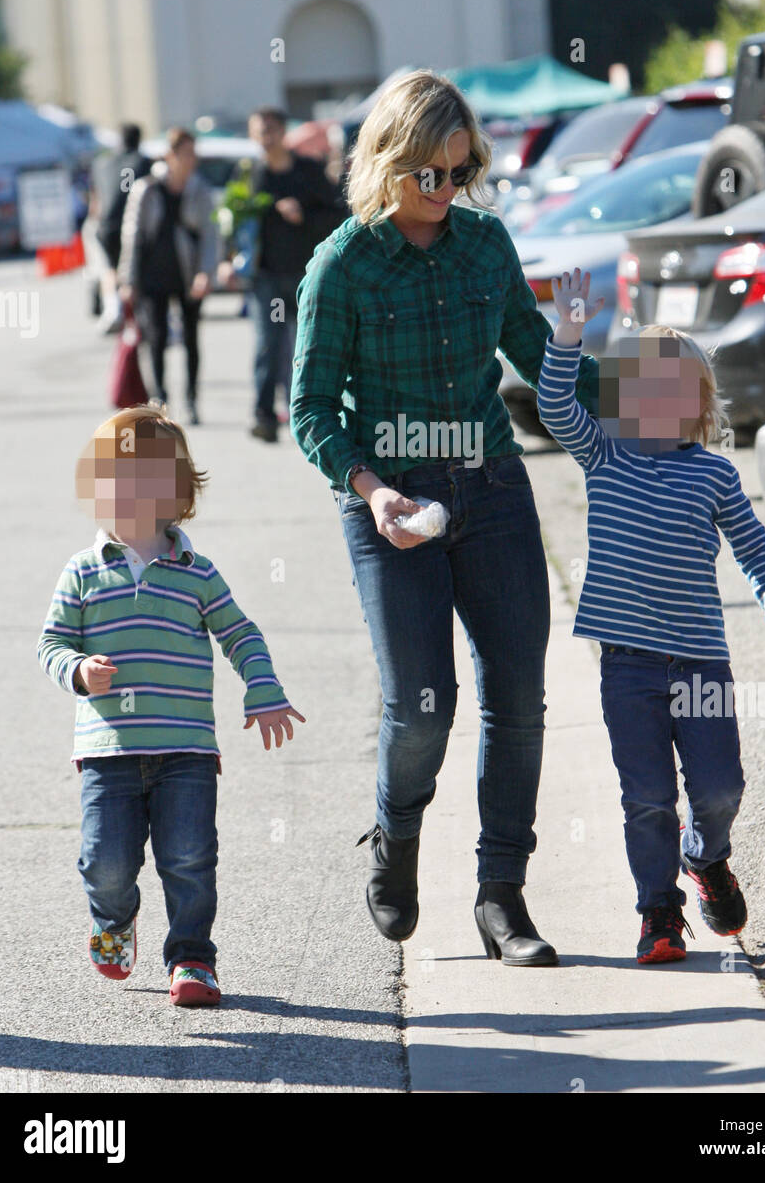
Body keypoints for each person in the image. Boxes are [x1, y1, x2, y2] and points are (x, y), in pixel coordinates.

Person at [290, 69, 600, 967]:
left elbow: (543, 367)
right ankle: (397, 834)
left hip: (493, 490)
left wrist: (625, 389)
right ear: (389, 163)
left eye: (461, 174)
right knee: (424, 708)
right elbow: (311, 409)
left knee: (519, 699)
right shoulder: (341, 264)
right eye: (430, 174)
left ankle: (502, 897)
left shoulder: (485, 245)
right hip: (391, 502)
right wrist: (374, 490)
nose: (445, 192)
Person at [537, 269, 765, 964]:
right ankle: (658, 912)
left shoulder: (713, 473)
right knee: (648, 795)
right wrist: (569, 330)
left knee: (720, 787)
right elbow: (552, 405)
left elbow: (757, 550)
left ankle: (707, 855)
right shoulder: (604, 456)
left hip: (700, 659)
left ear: (696, 402)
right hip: (627, 666)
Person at [37, 404, 307, 1006]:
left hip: (185, 748)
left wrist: (263, 689)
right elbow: (51, 643)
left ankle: (191, 959)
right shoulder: (82, 572)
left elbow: (241, 633)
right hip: (107, 751)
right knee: (104, 862)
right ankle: (115, 919)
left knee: (189, 860)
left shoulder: (197, 572)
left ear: (176, 491)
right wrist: (78, 670)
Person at [223, 107, 346, 444]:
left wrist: (302, 214)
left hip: (307, 273)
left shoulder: (307, 171)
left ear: (283, 133)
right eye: (259, 131)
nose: (266, 137)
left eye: (271, 129)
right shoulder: (248, 174)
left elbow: (339, 215)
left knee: (311, 346)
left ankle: (313, 413)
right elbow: (232, 220)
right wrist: (228, 257)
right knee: (267, 344)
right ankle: (264, 415)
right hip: (265, 275)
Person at [119, 128, 218, 425]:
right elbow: (132, 237)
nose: (191, 160)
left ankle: (191, 401)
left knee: (191, 338)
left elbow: (211, 235)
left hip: (188, 272)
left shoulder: (200, 190)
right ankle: (159, 401)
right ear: (170, 155)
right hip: (154, 274)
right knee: (157, 338)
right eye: (185, 153)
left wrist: (206, 273)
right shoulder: (146, 189)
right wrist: (128, 280)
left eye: (193, 153)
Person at [88, 123, 151, 333]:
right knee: (134, 270)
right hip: (130, 225)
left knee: (109, 269)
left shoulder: (101, 162)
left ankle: (113, 310)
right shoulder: (142, 161)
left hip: (104, 226)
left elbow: (94, 202)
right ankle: (137, 314)